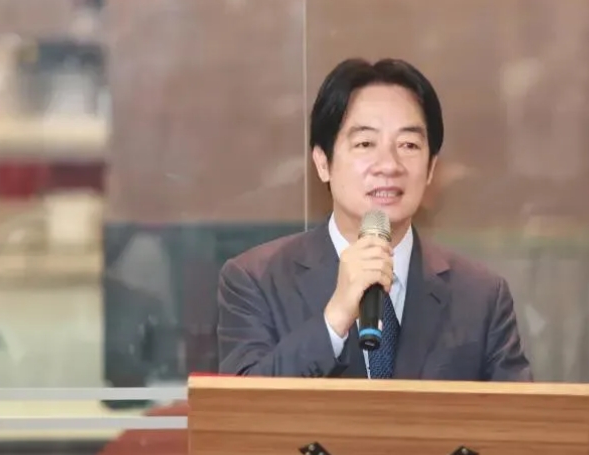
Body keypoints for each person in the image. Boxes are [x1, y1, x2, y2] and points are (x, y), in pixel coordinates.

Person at [217, 58, 532, 381]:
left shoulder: (481, 296)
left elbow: (519, 411)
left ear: (431, 169)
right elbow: (241, 403)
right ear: (323, 163)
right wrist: (334, 319)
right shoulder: (256, 280)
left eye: (408, 145)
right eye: (365, 144)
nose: (389, 165)